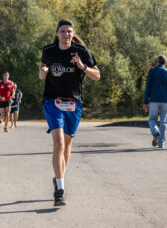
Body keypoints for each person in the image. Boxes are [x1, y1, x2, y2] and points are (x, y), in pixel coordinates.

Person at [39, 19, 100, 206]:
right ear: (57, 33)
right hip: (52, 101)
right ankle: (60, 189)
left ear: (73, 34)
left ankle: (59, 177)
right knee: (58, 143)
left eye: (69, 31)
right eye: (63, 31)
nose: (66, 34)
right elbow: (43, 67)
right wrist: (42, 71)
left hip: (74, 103)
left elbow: (97, 76)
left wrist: (82, 66)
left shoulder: (81, 51)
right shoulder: (49, 51)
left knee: (66, 145)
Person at [143, 55, 167, 149]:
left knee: (152, 119)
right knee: (164, 121)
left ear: (157, 62)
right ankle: (161, 143)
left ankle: (155, 131)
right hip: (165, 101)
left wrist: (145, 101)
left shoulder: (152, 71)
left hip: (153, 100)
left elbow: (147, 87)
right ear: (165, 63)